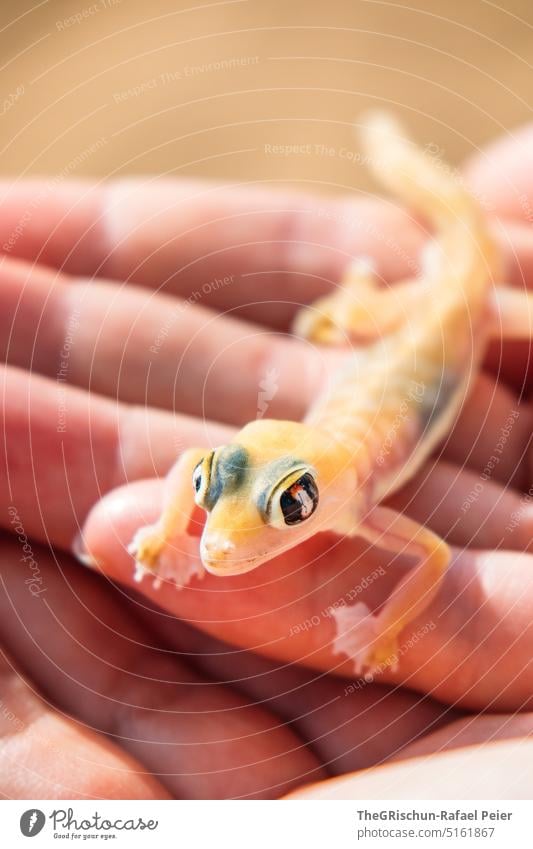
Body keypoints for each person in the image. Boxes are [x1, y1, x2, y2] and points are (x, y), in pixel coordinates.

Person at [1, 122, 533, 800]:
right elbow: (198, 453)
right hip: (402, 332)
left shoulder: (357, 501)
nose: (221, 541)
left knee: (457, 273)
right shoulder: (285, 478)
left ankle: (395, 238)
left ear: (326, 495)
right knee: (415, 288)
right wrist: (170, 528)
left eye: (288, 507)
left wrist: (385, 627)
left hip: (466, 313)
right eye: (213, 489)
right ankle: (378, 278)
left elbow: (432, 557)